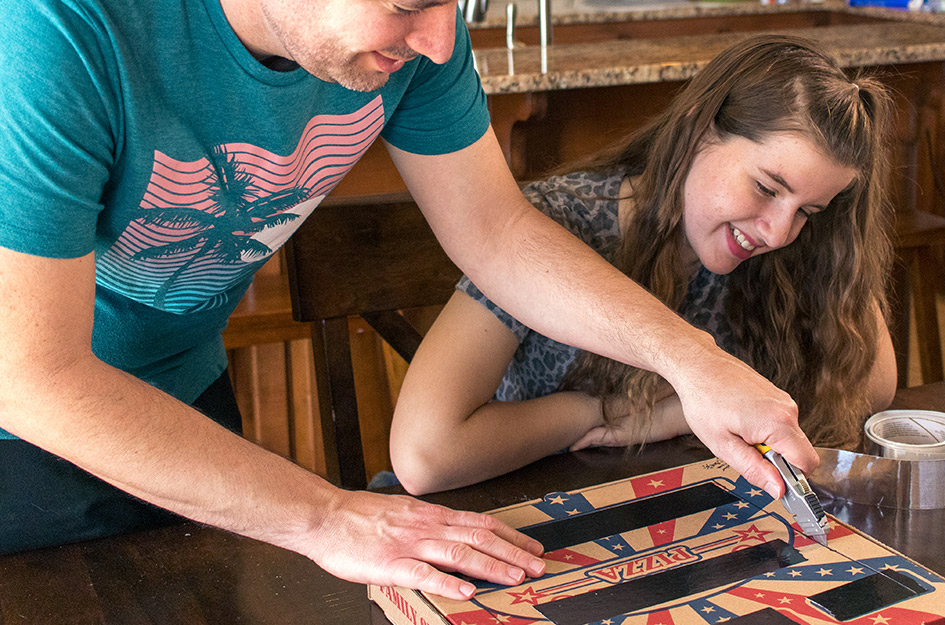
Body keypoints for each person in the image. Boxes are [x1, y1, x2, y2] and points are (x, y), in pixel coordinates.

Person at [0, 0, 816, 601]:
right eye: (406, 7)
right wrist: (324, 516)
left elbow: (496, 234)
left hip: (177, 399)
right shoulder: (52, 30)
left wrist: (690, 359)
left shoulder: (420, 36)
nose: (437, 40)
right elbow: (32, 375)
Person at [390, 35, 898, 496]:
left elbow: (873, 385)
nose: (778, 232)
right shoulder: (559, 224)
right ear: (700, 127)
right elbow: (425, 456)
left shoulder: (787, 247)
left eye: (808, 211)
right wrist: (607, 412)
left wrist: (835, 242)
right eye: (766, 188)